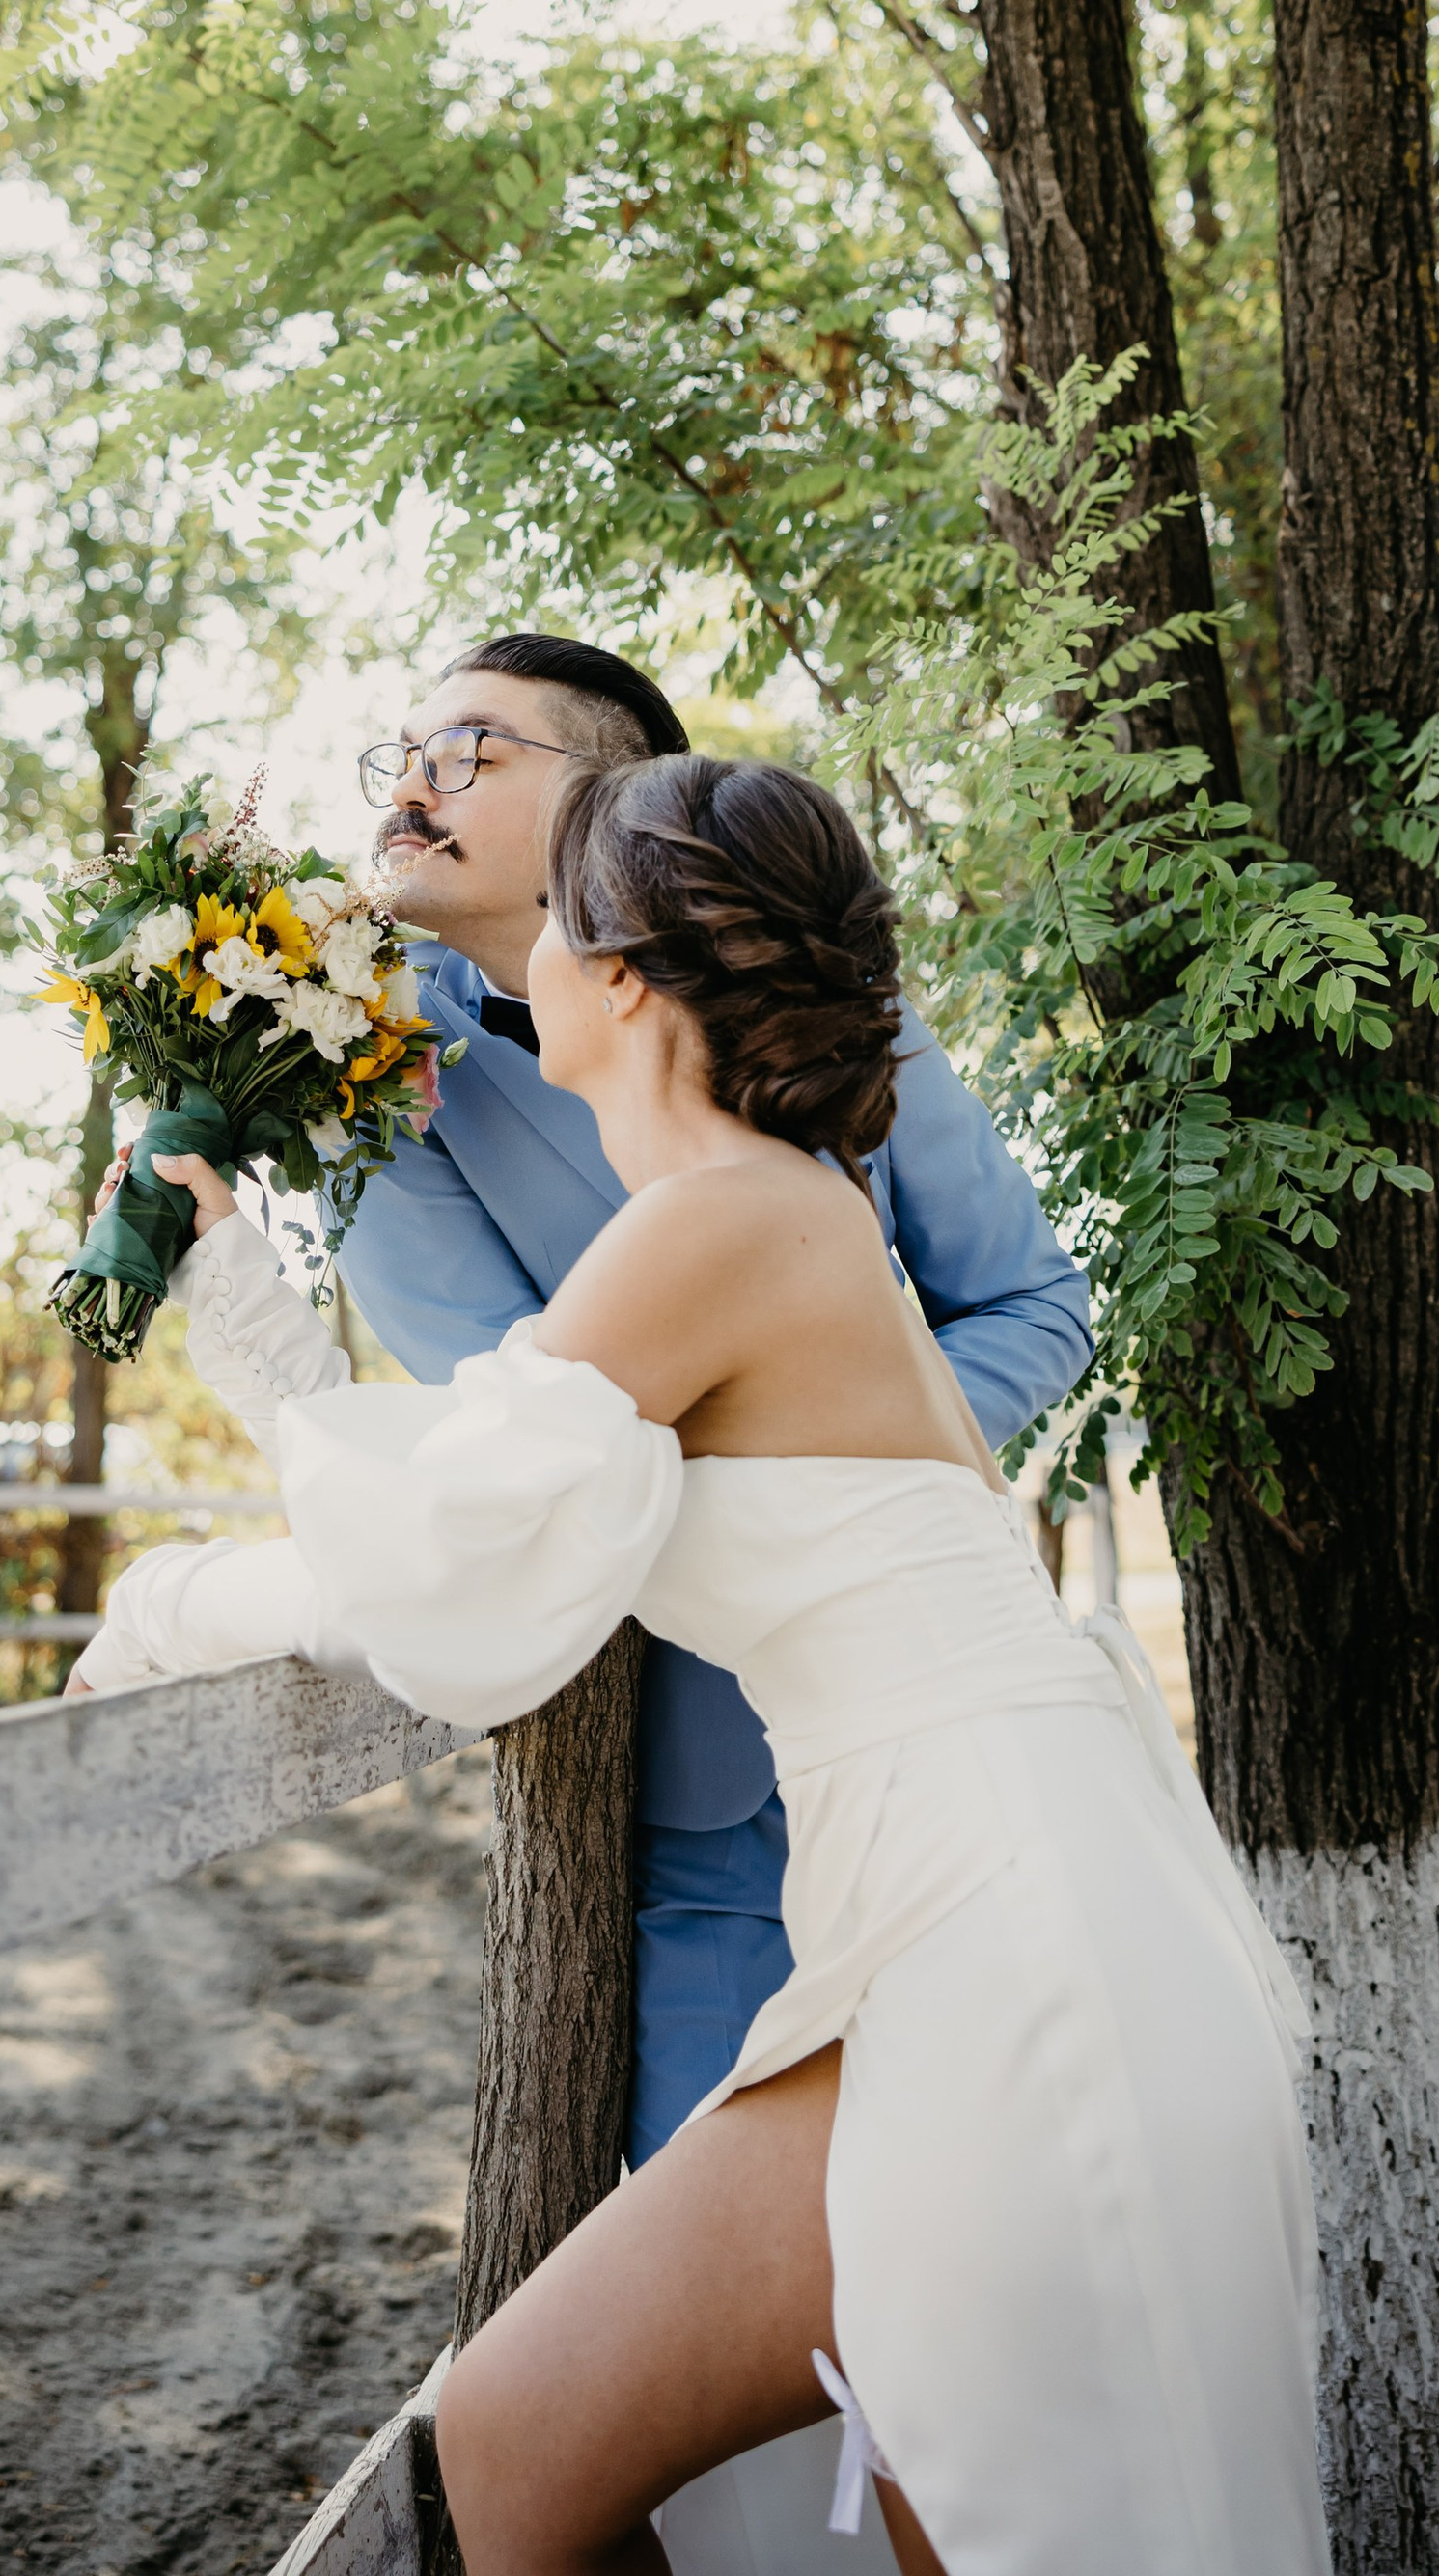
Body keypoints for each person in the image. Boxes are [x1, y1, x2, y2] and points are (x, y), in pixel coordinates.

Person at [69, 754, 1329, 2576]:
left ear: (626, 980)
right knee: (518, 2438)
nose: (517, 983)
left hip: (1016, 1924)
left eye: (557, 936)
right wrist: (236, 1292)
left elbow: (459, 1568)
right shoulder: (763, 1219)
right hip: (939, 1903)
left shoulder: (727, 1220)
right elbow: (492, 1515)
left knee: (1002, 2522)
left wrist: (164, 1606)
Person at [338, 635, 1093, 2162]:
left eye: (470, 749)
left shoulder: (815, 1007)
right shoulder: (360, 1064)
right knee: (721, 2202)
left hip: (911, 1700)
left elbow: (1031, 1304)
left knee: (1002, 2148)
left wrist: (816, 1445)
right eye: (401, 753)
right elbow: (502, 1430)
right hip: (663, 1746)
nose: (413, 786)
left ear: (611, 801)